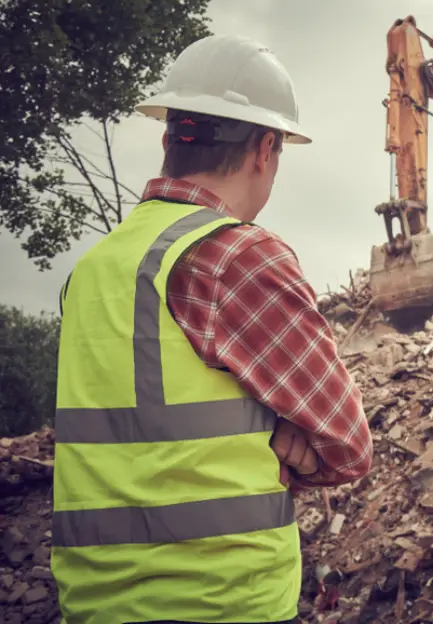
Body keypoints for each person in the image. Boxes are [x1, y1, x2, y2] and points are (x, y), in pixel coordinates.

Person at [50, 34, 373, 624]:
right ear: (265, 148)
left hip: (91, 606)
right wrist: (279, 437)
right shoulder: (237, 256)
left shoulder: (92, 270)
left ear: (170, 135)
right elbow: (346, 444)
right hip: (220, 600)